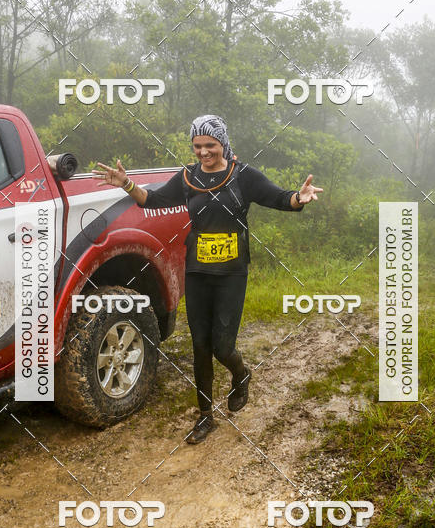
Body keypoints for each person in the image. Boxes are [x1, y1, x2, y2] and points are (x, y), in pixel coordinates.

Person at [93, 114, 322, 444]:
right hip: (197, 271)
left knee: (222, 346)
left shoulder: (243, 176)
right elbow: (154, 201)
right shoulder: (188, 177)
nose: (203, 152)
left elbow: (278, 197)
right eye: (197, 146)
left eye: (210, 145)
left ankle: (241, 374)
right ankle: (204, 416)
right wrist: (127, 184)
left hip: (231, 273)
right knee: (200, 346)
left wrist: (299, 197)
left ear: (223, 143)